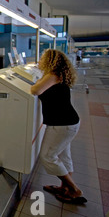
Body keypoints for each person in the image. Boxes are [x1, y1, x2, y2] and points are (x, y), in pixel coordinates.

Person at [31, 49, 86, 204]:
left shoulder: (53, 75)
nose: (40, 61)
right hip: (68, 122)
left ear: (50, 61)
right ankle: (64, 187)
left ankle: (74, 189)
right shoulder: (58, 75)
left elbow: (35, 90)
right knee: (63, 155)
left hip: (62, 125)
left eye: (42, 58)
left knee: (47, 156)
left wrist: (36, 80)